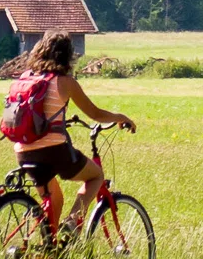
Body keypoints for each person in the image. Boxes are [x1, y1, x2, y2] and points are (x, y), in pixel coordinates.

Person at [8, 30, 134, 236]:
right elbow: (95, 113)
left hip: (23, 152)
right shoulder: (65, 82)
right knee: (96, 176)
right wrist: (120, 117)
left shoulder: (25, 78)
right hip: (54, 152)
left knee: (54, 200)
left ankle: (51, 253)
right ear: (67, 56)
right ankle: (71, 223)